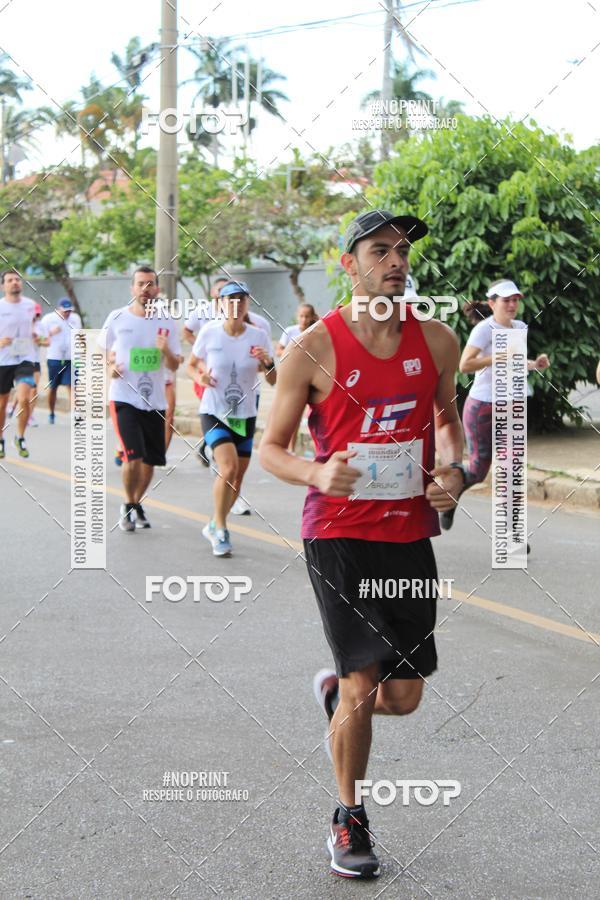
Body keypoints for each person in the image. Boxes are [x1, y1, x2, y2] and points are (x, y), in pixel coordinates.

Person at [259, 209, 465, 879]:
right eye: (380, 250)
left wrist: (453, 473)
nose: (396, 261)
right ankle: (349, 820)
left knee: (401, 697)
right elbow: (272, 449)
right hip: (338, 531)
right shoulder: (313, 349)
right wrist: (317, 470)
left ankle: (339, 693)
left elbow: (447, 421)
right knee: (361, 680)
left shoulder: (436, 341)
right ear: (349, 265)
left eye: (402, 250)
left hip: (408, 531)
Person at [440, 279, 550, 532]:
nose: (512, 305)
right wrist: (498, 356)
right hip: (483, 408)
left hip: (511, 407)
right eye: (506, 300)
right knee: (478, 471)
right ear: (492, 303)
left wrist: (535, 364)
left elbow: (515, 362)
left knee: (511, 469)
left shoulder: (520, 326)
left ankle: (513, 533)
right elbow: (464, 365)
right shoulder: (484, 329)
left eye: (515, 300)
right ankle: (450, 501)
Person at [187, 280, 276, 556]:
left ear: (247, 303)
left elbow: (273, 380)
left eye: (241, 299)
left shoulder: (258, 335)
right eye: (230, 299)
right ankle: (222, 528)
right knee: (227, 468)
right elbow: (191, 365)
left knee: (236, 478)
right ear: (221, 304)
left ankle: (214, 522)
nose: (236, 305)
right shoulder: (210, 332)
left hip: (245, 413)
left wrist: (268, 363)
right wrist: (199, 376)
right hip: (214, 410)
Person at [99, 266, 181, 531]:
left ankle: (135, 503)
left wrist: (166, 349)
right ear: (132, 288)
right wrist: (109, 368)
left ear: (157, 289)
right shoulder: (118, 317)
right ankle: (127, 504)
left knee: (149, 462)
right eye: (140, 284)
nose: (145, 289)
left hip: (154, 401)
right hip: (124, 398)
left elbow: (175, 364)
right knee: (133, 456)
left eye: (150, 284)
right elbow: (100, 351)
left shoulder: (167, 321)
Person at [0, 269, 37, 458]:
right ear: (3, 286)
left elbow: (33, 327)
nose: (15, 282)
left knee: (24, 398)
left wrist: (35, 335)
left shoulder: (30, 305)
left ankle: (20, 437)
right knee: (2, 403)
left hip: (24, 357)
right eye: (10, 280)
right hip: (3, 360)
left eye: (17, 279)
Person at [276, 303, 320, 452]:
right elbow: (279, 350)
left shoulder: (316, 331)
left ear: (312, 317)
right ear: (297, 316)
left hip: (314, 377)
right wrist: (294, 357)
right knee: (293, 414)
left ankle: (318, 449)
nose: (304, 319)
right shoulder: (290, 331)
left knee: (316, 414)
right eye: (301, 316)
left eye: (307, 316)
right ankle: (291, 449)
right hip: (293, 378)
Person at [39, 298, 82, 424]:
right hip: (55, 358)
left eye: (69, 311)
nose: (67, 313)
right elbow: (40, 338)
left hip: (72, 357)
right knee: (53, 387)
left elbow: (80, 336)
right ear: (58, 309)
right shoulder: (48, 319)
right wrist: (50, 333)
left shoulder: (75, 318)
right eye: (65, 311)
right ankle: (51, 413)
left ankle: (76, 413)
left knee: (73, 385)